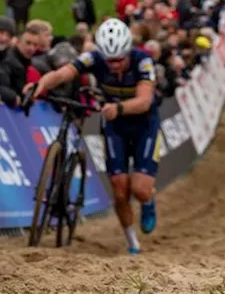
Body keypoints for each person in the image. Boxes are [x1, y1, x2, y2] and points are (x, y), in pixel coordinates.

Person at [25, 18, 160, 255]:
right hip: (115, 125)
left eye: (119, 60)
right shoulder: (94, 59)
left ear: (128, 51)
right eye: (110, 61)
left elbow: (145, 100)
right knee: (119, 188)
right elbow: (62, 73)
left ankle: (148, 202)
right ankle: (132, 242)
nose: (114, 65)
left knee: (139, 189)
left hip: (143, 124)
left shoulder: (143, 61)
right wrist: (40, 85)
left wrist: (118, 108)